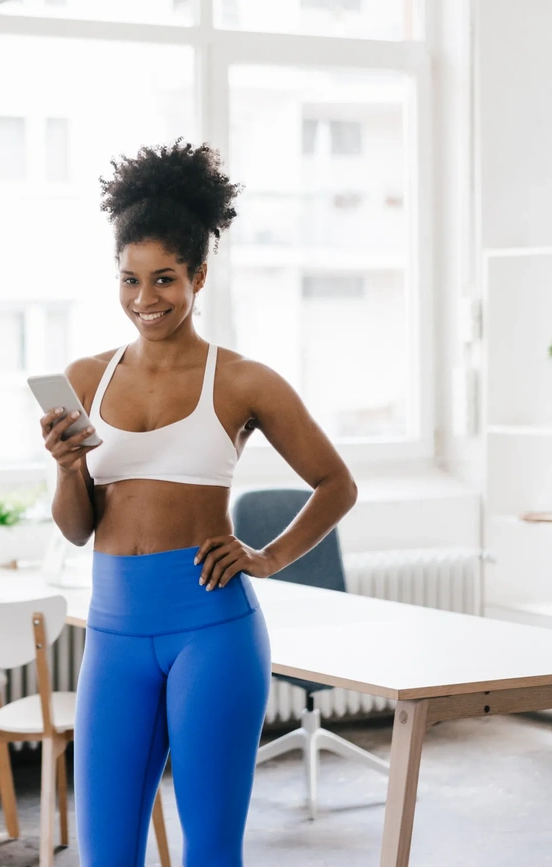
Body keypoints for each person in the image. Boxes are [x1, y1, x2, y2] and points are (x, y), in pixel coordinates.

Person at [43, 141, 358, 866]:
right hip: (114, 632)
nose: (144, 299)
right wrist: (66, 468)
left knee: (211, 850)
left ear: (199, 275)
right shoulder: (84, 377)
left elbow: (336, 483)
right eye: (129, 279)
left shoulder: (245, 381)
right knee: (104, 852)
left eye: (164, 279)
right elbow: (78, 526)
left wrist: (269, 554)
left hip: (211, 629)